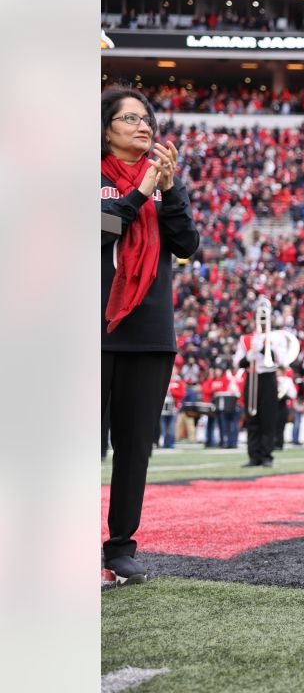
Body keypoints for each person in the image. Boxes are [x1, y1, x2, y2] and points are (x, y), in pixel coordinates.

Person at [101, 87, 200, 584]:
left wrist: (172, 187)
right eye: (130, 118)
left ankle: (121, 547)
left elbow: (188, 244)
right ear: (105, 129)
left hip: (150, 331)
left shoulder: (164, 185)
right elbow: (96, 231)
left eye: (148, 119)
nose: (144, 126)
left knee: (135, 446)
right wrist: (140, 191)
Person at [232, 318, 288, 468]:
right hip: (252, 376)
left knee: (268, 419)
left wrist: (263, 349)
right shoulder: (246, 339)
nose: (262, 323)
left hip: (268, 377)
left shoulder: (276, 338)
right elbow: (237, 363)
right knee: (252, 419)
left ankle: (266, 455)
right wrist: (249, 356)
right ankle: (253, 456)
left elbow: (281, 360)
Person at [159, 362, 185, 450]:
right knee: (163, 426)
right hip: (163, 407)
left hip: (174, 407)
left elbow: (181, 394)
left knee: (171, 426)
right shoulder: (164, 379)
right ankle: (164, 442)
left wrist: (171, 392)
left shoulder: (179, 381)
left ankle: (171, 442)